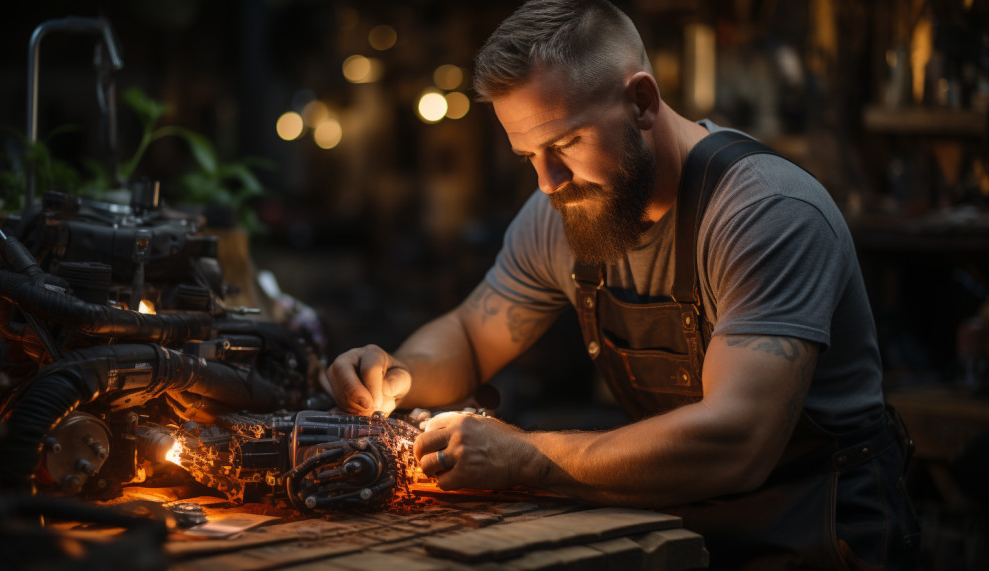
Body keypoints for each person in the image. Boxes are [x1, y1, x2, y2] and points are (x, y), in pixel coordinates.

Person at [322, 0, 921, 568]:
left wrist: (525, 457)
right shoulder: (566, 211)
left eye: (564, 143)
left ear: (641, 101)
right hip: (684, 525)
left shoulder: (766, 212)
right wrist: (396, 374)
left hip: (819, 532)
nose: (547, 182)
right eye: (527, 154)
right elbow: (470, 338)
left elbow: (739, 441)